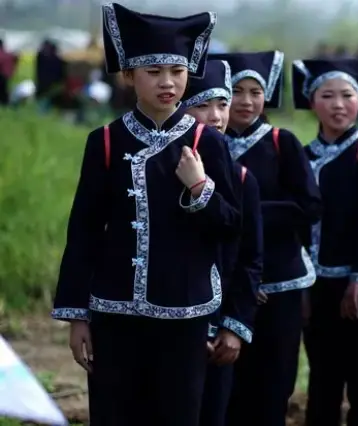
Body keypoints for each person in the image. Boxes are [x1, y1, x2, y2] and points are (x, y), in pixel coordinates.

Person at [50, 4, 241, 426]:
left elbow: (231, 224)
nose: (168, 82)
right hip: (114, 311)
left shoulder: (207, 143)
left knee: (178, 415)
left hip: (185, 313)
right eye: (153, 71)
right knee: (115, 414)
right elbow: (83, 231)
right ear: (128, 75)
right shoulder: (103, 141)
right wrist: (76, 314)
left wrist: (199, 187)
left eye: (176, 70)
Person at [208, 50, 322, 426]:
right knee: (228, 382)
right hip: (228, 282)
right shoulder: (208, 145)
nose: (246, 101)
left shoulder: (280, 141)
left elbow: (308, 206)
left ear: (267, 95)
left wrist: (247, 213)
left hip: (281, 279)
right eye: (235, 92)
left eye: (255, 92)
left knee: (274, 380)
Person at [292, 57, 358, 426]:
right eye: (328, 95)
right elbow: (297, 227)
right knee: (323, 380)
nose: (338, 104)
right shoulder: (301, 157)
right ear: (312, 101)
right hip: (316, 287)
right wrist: (301, 287)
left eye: (347, 95)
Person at [182, 58, 263, 426]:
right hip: (171, 328)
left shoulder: (243, 179)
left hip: (219, 331)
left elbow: (248, 258)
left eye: (222, 104)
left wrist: (233, 326)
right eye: (202, 104)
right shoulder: (157, 171)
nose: (215, 116)